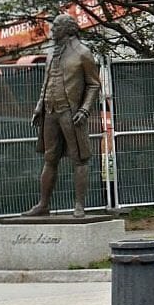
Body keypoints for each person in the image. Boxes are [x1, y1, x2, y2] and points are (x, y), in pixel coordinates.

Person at [23, 13, 101, 218]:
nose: (53, 30)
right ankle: (43, 204)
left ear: (68, 29)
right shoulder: (51, 53)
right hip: (50, 111)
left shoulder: (82, 52)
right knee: (50, 158)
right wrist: (39, 107)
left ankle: (79, 205)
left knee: (79, 158)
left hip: (71, 112)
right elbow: (47, 82)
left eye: (57, 26)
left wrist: (84, 109)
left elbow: (94, 84)